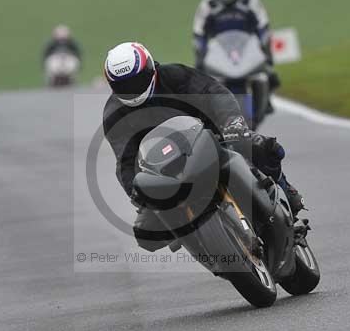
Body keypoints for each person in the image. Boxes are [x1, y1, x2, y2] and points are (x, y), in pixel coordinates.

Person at [102, 42, 304, 252]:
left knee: (262, 147)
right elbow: (125, 159)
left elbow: (214, 92)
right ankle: (200, 243)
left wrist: (232, 123)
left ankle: (285, 189)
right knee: (146, 232)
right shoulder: (114, 115)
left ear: (150, 69)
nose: (132, 88)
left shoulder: (174, 75)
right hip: (166, 169)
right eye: (124, 86)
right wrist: (136, 191)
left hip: (211, 136)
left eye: (136, 81)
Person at [192, 0, 280, 92]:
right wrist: (201, 58)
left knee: (270, 76)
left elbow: (263, 26)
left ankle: (265, 99)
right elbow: (199, 33)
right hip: (219, 51)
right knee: (201, 85)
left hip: (248, 48)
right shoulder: (208, 5)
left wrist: (265, 51)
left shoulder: (250, 1)